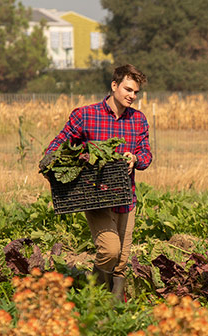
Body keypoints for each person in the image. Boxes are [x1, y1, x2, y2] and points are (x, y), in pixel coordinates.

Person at [42, 64, 152, 301]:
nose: (132, 96)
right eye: (128, 89)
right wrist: (54, 163)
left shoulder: (139, 120)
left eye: (136, 92)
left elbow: (146, 154)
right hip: (96, 196)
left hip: (126, 196)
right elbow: (57, 145)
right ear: (114, 86)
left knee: (122, 258)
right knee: (110, 250)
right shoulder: (85, 115)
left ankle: (112, 309)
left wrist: (136, 158)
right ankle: (92, 297)